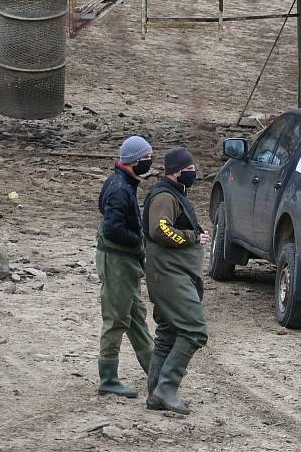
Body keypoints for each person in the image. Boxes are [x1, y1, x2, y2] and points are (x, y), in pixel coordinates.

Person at [142, 147, 210, 415]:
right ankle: (166, 389)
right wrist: (192, 238)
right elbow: (159, 229)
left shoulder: (176, 194)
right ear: (178, 171)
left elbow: (174, 227)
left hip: (171, 274)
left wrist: (196, 232)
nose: (194, 174)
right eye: (190, 169)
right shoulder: (163, 195)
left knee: (169, 332)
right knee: (195, 330)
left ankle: (156, 394)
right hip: (169, 274)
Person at [95, 136, 155, 398]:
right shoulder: (120, 188)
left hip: (123, 262)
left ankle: (154, 369)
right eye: (148, 158)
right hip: (118, 261)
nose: (150, 162)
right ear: (136, 161)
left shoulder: (121, 183)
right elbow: (112, 228)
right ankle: (108, 378)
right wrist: (138, 242)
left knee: (135, 315)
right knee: (117, 317)